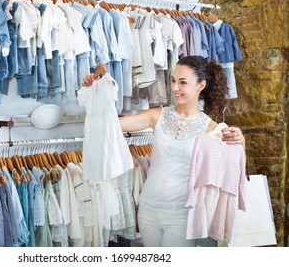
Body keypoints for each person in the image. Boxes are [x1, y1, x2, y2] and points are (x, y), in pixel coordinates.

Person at [83, 55, 246, 247]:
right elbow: (108, 125)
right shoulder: (157, 115)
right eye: (173, 80)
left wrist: (241, 143)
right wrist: (95, 92)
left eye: (183, 82)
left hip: (182, 215)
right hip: (147, 210)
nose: (175, 88)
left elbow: (235, 171)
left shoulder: (213, 130)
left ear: (200, 85)